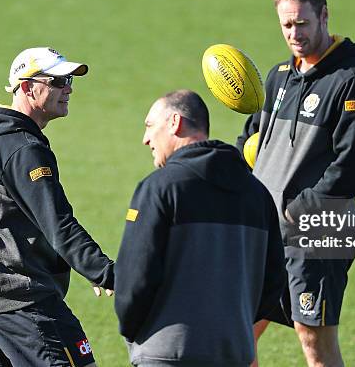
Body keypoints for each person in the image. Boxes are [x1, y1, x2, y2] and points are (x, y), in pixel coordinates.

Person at [237, 0, 355, 367]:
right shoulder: (278, 76)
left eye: (302, 23)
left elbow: (353, 164)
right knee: (237, 334)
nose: (294, 34)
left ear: (324, 16)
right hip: (266, 233)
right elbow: (250, 140)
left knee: (313, 340)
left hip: (317, 230)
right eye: (286, 25)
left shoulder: (350, 81)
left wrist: (300, 208)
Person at [0, 47, 115, 367]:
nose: (69, 88)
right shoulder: (23, 149)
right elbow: (58, 222)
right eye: (60, 81)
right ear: (29, 87)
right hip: (25, 303)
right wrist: (104, 272)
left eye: (69, 79)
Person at [114, 90, 286, 367]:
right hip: (234, 352)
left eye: (149, 126)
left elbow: (135, 275)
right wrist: (234, 329)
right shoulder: (257, 194)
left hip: (167, 352)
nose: (145, 139)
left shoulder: (160, 187)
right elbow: (275, 278)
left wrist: (135, 332)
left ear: (174, 122)